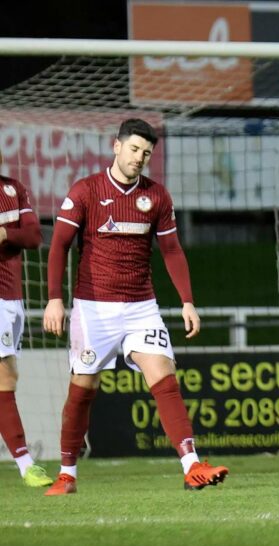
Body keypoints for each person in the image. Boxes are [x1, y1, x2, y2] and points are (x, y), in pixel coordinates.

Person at [42, 118, 228, 495]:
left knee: (163, 375)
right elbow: (59, 245)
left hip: (141, 305)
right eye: (134, 149)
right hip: (93, 308)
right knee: (82, 388)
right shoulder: (86, 191)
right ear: (116, 146)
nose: (139, 157)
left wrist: (187, 301)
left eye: (146, 153)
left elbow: (172, 250)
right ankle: (67, 473)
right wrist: (55, 300)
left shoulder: (156, 196)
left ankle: (192, 466)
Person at [0, 154, 54, 488]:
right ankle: (25, 464)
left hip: (11, 300)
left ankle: (24, 462)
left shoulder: (13, 188)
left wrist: (5, 232)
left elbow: (34, 237)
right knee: (4, 375)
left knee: (9, 376)